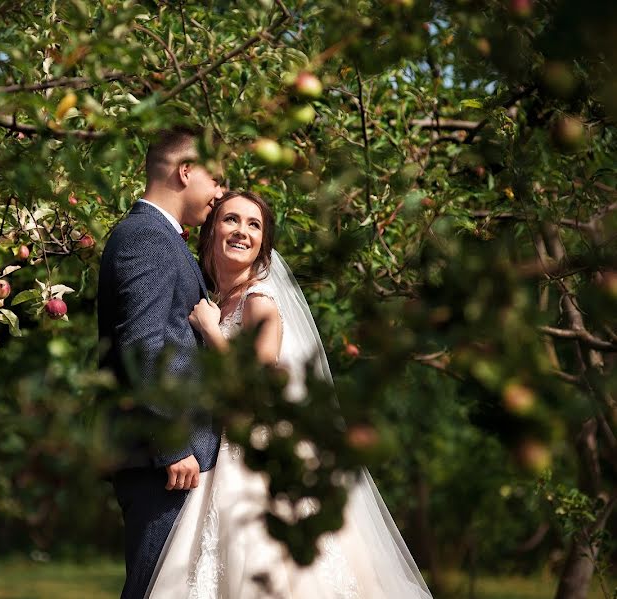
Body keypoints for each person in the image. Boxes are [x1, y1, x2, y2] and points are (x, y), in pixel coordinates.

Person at [144, 191, 433, 599]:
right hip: (226, 450)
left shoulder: (259, 301)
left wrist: (211, 332)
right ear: (211, 231)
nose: (241, 231)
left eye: (253, 224)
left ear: (264, 243)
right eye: (231, 220)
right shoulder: (219, 301)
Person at [97, 126, 225, 599]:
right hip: (162, 461)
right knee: (155, 589)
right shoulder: (146, 238)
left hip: (172, 459)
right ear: (185, 171)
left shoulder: (163, 238)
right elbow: (143, 345)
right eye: (216, 180)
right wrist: (171, 444)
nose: (220, 193)